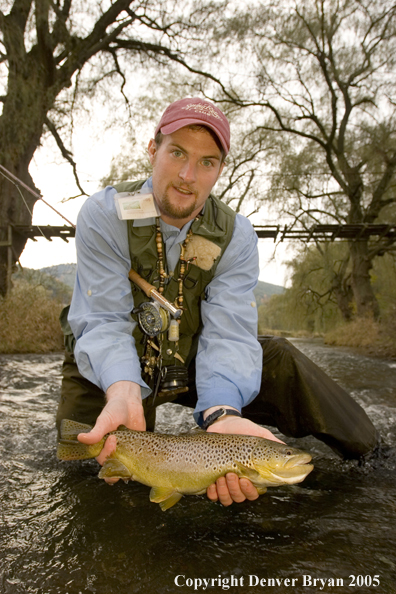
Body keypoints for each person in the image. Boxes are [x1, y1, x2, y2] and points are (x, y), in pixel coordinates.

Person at [57, 97, 380, 507]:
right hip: (109, 366)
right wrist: (122, 390)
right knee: (88, 483)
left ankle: (372, 459)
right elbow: (101, 318)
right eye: (177, 153)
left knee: (280, 356)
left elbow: (229, 332)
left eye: (207, 162)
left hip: (190, 358)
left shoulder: (237, 237)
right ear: (153, 149)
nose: (188, 176)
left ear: (220, 170)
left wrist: (223, 413)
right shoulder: (104, 215)